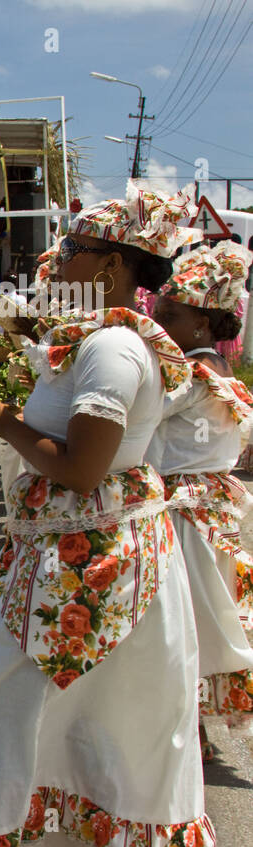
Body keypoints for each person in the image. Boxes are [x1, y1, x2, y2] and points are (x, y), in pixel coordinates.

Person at [0, 182, 214, 847]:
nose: (59, 260)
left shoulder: (114, 351)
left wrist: (1, 422)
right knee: (74, 722)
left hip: (87, 561)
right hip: (76, 554)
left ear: (111, 266)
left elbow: (83, 470)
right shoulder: (105, 341)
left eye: (72, 248)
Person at [147, 240, 253, 755]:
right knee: (202, 615)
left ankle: (185, 730)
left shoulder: (187, 375)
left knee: (177, 617)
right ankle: (192, 728)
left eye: (169, 314)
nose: (158, 322)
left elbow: (140, 417)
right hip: (207, 510)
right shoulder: (218, 372)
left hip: (183, 513)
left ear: (204, 325)